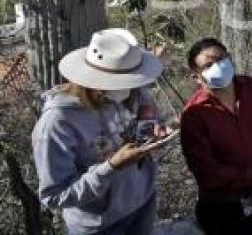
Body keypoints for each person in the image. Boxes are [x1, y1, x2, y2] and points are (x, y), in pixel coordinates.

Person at [31, 29, 165, 235]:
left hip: (143, 204)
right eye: (122, 82)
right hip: (99, 226)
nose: (130, 88)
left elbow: (150, 121)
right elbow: (54, 196)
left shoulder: (136, 93)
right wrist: (111, 167)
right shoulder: (57, 124)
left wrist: (154, 135)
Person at [180, 38, 252, 235]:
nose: (218, 66)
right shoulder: (194, 115)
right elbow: (207, 174)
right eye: (208, 65)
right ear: (197, 78)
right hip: (223, 208)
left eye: (222, 59)